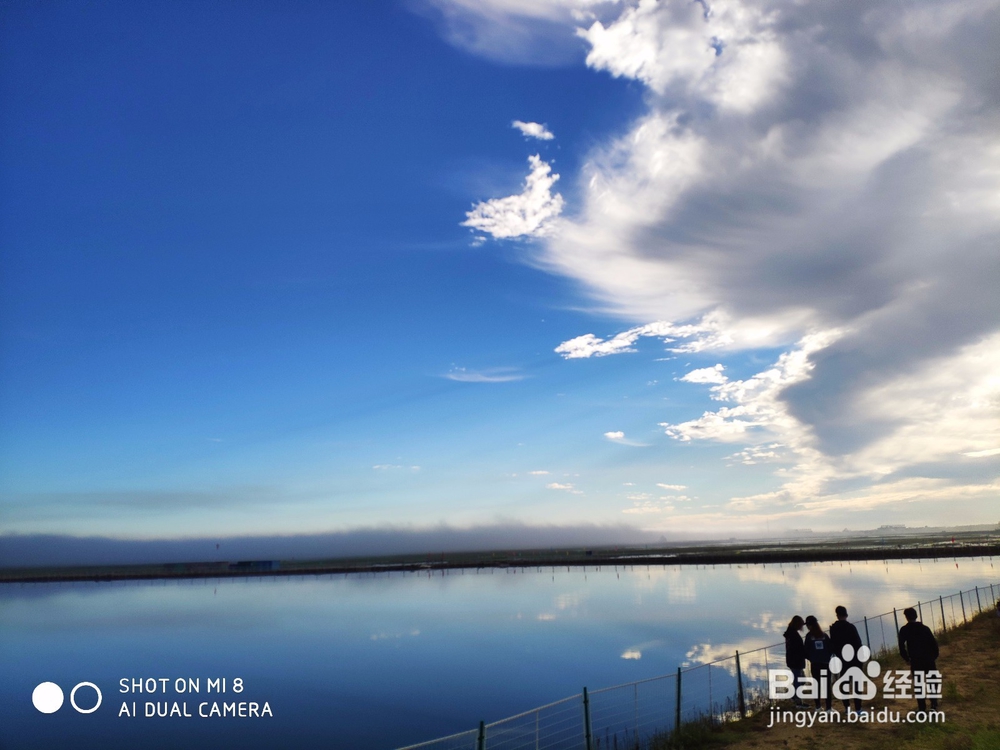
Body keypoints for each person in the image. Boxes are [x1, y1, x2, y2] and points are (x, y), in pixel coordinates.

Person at [898, 607, 940, 711]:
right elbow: (934, 644)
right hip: (928, 659)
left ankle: (922, 708)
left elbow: (901, 646)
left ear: (906, 618)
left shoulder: (905, 630)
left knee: (919, 684)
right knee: (932, 682)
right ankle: (934, 705)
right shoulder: (925, 628)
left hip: (916, 660)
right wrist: (933, 657)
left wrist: (907, 659)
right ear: (916, 616)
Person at [830, 605, 863, 713]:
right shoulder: (851, 627)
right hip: (855, 659)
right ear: (846, 615)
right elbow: (858, 643)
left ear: (837, 615)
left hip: (842, 659)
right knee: (857, 684)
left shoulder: (833, 628)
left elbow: (833, 645)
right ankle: (858, 709)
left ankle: (847, 708)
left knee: (844, 684)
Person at [803, 616, 833, 711]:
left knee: (816, 686)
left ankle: (818, 707)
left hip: (815, 664)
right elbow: (831, 649)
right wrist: (826, 657)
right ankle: (828, 708)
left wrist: (812, 658)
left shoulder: (808, 637)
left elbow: (805, 652)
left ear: (809, 625)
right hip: (825, 664)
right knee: (827, 686)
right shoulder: (824, 635)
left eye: (807, 625)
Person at [783, 615, 807, 707]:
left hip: (793, 660)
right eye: (801, 625)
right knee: (799, 680)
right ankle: (798, 701)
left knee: (800, 680)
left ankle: (794, 696)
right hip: (796, 661)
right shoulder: (793, 635)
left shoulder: (790, 633)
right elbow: (797, 649)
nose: (802, 627)